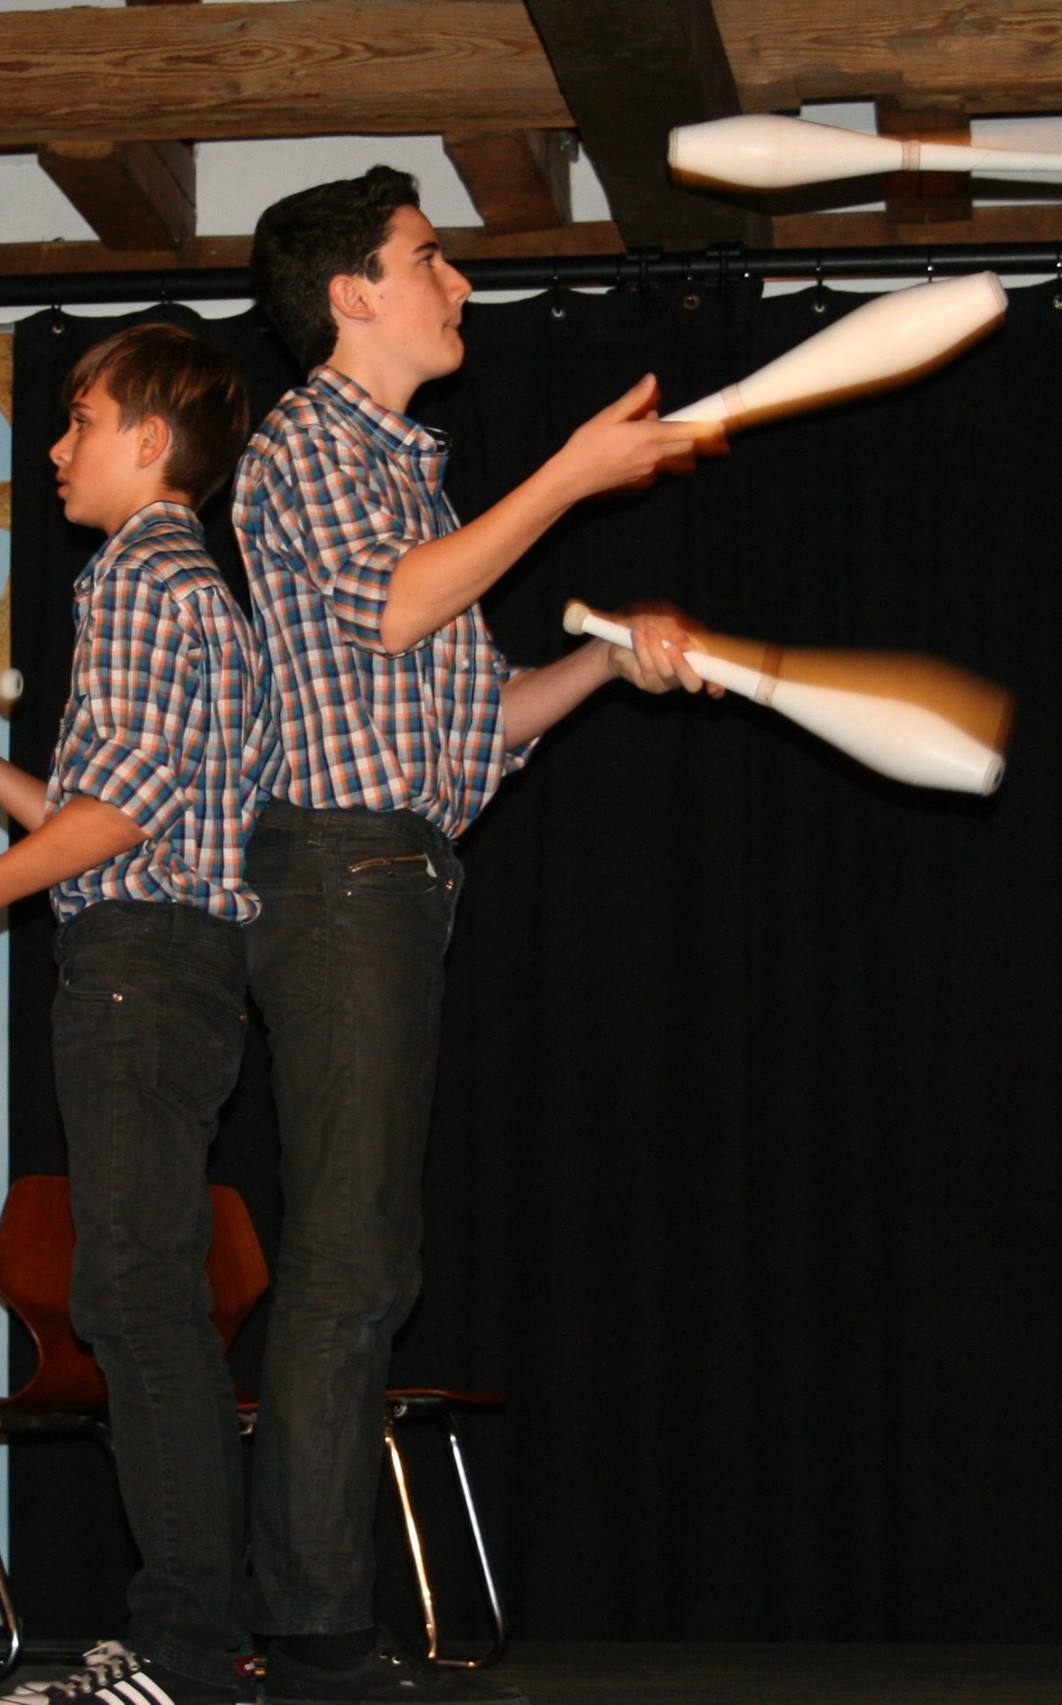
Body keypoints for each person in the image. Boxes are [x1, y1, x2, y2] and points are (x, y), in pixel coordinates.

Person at [231, 166, 724, 1705]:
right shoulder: (305, 444)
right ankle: (316, 1634)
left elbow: (476, 727)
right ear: (353, 294)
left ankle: (320, 1621)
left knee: (370, 1253)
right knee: (350, 1258)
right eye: (430, 258)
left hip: (392, 873)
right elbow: (387, 611)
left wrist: (608, 667)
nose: (459, 284)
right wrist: (568, 477)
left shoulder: (411, 480)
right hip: (340, 876)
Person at [0, 321, 275, 1705]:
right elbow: (99, 812)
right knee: (138, 1295)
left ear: (152, 441)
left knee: (136, 1299)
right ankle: (197, 1636)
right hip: (168, 963)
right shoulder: (188, 582)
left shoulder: (140, 574)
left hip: (144, 965)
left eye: (82, 420)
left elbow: (115, 821)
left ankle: (192, 1648)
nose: (59, 445)